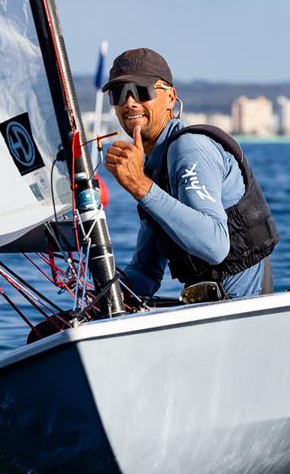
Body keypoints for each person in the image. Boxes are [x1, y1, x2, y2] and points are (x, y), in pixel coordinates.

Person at [101, 48, 278, 301]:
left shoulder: (189, 148)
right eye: (119, 94)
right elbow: (146, 273)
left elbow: (215, 247)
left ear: (171, 98)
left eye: (142, 91)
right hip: (210, 314)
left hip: (245, 315)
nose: (129, 102)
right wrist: (104, 291)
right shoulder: (154, 166)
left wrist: (140, 186)